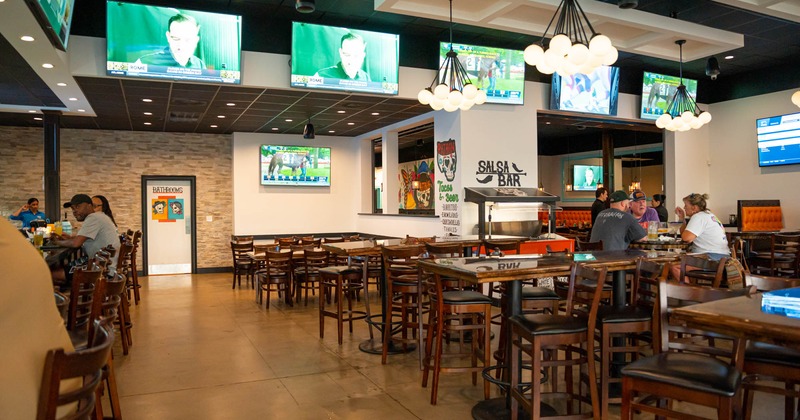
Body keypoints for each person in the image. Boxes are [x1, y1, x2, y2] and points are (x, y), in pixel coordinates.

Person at [0, 219, 75, 418]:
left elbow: (76, 244)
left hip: (28, 403)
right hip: (64, 382)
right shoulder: (9, 234)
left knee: (59, 273)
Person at [51, 194, 121, 286]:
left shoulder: (93, 218)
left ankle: (64, 297)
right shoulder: (101, 216)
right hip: (104, 266)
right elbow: (81, 239)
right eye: (72, 208)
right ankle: (66, 296)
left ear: (89, 205)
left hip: (101, 271)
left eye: (78, 206)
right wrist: (69, 238)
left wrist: (55, 242)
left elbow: (76, 243)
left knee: (49, 274)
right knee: (59, 271)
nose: (75, 211)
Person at [672, 193, 730, 281]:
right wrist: (682, 219)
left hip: (713, 259)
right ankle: (694, 289)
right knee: (679, 260)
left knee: (674, 267)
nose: (684, 208)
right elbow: (686, 235)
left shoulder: (698, 217)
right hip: (723, 258)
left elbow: (686, 238)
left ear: (694, 208)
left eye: (686, 205)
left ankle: (690, 293)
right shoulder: (709, 215)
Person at [136, 13, 206, 69]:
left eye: (188, 40)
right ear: (168, 37)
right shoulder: (144, 63)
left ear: (196, 41)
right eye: (176, 39)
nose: (181, 45)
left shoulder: (200, 65)